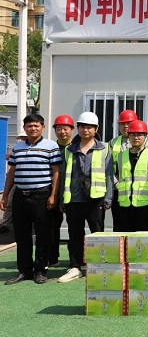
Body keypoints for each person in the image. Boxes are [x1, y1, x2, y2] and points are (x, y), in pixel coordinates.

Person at [1, 114, 61, 285]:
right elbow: (11, 172)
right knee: (22, 234)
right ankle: (24, 271)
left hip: (42, 195)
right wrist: (5, 195)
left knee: (43, 233)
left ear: (42, 127)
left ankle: (41, 270)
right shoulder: (17, 148)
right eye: (29, 126)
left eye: (36, 125)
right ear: (25, 128)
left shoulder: (51, 146)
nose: (33, 128)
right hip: (21, 194)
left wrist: (53, 195)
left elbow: (56, 172)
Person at [58, 112, 114, 283]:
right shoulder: (69, 150)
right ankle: (75, 266)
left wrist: (108, 198)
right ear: (78, 128)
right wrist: (62, 198)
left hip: (96, 198)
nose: (85, 130)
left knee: (97, 234)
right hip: (73, 199)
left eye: (89, 127)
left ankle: (97, 265)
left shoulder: (104, 148)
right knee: (74, 234)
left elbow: (109, 174)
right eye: (82, 126)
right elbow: (63, 176)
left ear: (96, 129)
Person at [108, 109, 148, 231]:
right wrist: (117, 184)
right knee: (120, 227)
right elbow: (109, 167)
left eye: (129, 123)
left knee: (142, 229)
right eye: (122, 123)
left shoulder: (147, 141)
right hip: (120, 193)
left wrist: (145, 184)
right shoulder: (113, 143)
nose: (126, 126)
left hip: (140, 193)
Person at [115, 120, 148, 232]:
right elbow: (118, 174)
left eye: (139, 134)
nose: (136, 137)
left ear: (145, 136)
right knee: (125, 236)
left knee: (143, 237)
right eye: (133, 134)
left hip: (144, 204)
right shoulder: (121, 156)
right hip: (125, 205)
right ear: (128, 136)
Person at [49, 114, 75, 267]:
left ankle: (76, 260)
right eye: (59, 129)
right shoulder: (51, 148)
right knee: (52, 227)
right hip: (54, 193)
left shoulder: (76, 147)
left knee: (74, 228)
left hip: (73, 193)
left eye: (65, 128)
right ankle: (52, 258)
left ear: (72, 130)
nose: (62, 132)